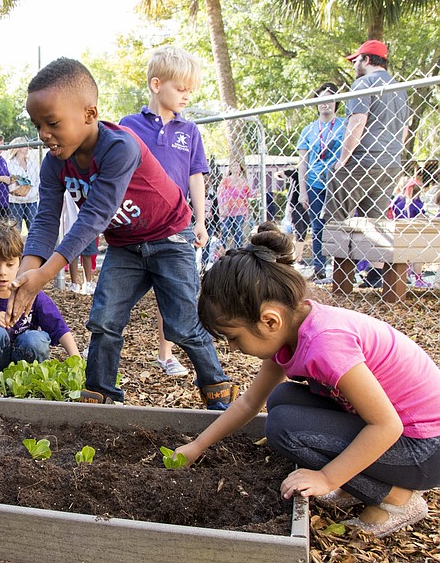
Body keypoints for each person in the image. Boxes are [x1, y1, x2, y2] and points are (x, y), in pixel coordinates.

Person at [168, 228, 440, 538]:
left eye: (233, 337)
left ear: (270, 320)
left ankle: (397, 499)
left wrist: (327, 477)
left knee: (285, 428)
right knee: (282, 399)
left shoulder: (326, 346)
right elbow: (248, 403)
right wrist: (197, 445)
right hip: (405, 437)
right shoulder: (292, 331)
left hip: (426, 448)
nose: (232, 347)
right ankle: (361, 482)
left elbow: (387, 426)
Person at [8, 57, 236, 409]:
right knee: (104, 319)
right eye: (37, 125)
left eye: (52, 123)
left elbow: (94, 218)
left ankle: (218, 394)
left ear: (89, 113)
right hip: (126, 246)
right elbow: (44, 221)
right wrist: (26, 276)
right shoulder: (54, 162)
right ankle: (100, 395)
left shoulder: (119, 147)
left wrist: (45, 276)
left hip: (169, 237)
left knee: (181, 323)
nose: (43, 134)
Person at [119, 45, 211, 378]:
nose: (187, 96)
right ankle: (103, 345)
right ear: (157, 85)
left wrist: (200, 221)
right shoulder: (129, 126)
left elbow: (195, 175)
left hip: (176, 226)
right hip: (136, 225)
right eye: (181, 89)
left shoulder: (190, 131)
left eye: (191, 90)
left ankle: (166, 353)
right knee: (118, 293)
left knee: (172, 294)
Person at [0, 219, 80, 395]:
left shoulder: (30, 292)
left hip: (24, 360)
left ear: (20, 262)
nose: (2, 272)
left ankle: (32, 377)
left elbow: (58, 327)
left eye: (9, 264)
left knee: (36, 339)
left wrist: (76, 361)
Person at [326, 40, 410, 289]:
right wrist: (393, 154)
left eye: (357, 60)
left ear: (367, 59)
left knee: (338, 218)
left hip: (362, 159)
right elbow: (404, 129)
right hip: (390, 162)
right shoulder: (400, 88)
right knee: (376, 221)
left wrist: (343, 159)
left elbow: (357, 122)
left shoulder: (364, 83)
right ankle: (376, 275)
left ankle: (341, 279)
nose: (354, 65)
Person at [297, 82, 346, 282]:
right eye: (322, 100)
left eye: (330, 100)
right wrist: (302, 190)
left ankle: (341, 269)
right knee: (317, 226)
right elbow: (302, 162)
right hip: (315, 183)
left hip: (339, 182)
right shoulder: (308, 130)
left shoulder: (344, 125)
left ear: (335, 103)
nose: (325, 104)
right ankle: (319, 266)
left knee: (339, 225)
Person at [6, 136, 41, 232]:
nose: (27, 147)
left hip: (32, 201)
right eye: (25, 145)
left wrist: (35, 192)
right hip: (15, 202)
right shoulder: (9, 164)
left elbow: (38, 179)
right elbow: (8, 182)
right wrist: (18, 190)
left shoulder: (32, 163)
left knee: (34, 229)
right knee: (15, 230)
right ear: (18, 147)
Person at [217, 161, 252, 250]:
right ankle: (222, 250)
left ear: (240, 168)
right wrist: (221, 207)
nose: (235, 168)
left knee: (238, 232)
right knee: (224, 231)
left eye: (237, 166)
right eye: (233, 166)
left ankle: (238, 250)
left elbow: (249, 194)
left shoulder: (243, 182)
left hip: (240, 210)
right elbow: (220, 194)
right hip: (227, 209)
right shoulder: (226, 180)